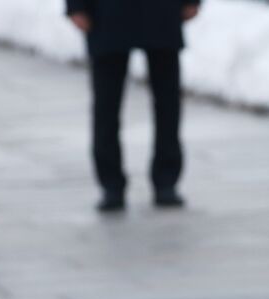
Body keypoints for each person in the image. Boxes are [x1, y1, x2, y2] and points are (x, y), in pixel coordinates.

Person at [67, 0, 201, 211]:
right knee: (106, 106)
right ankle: (111, 184)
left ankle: (166, 179)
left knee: (168, 102)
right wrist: (75, 6)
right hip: (107, 13)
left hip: (161, 11)